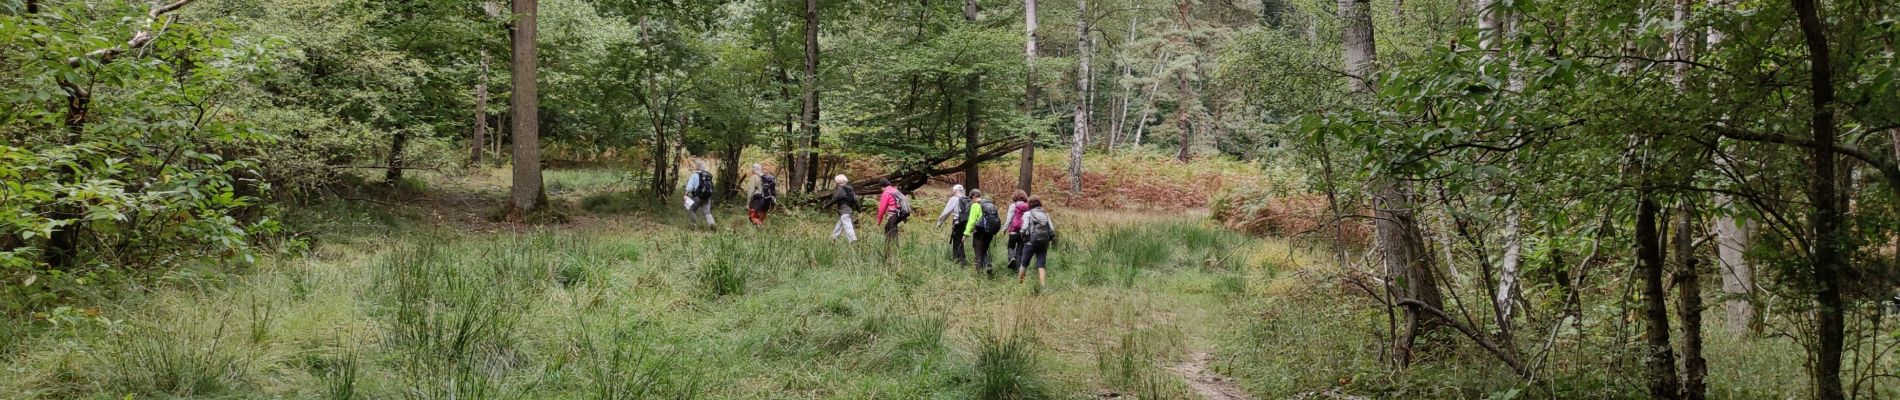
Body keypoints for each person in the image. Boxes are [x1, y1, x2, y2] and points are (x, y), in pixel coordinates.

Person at [1017, 196, 1058, 286]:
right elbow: (1052, 229)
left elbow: (1024, 228)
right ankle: (1042, 285)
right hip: (1043, 242)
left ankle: (1020, 284)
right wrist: (1050, 239)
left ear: (1029, 204)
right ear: (1039, 203)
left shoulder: (1028, 213)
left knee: (1024, 264)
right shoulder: (1045, 214)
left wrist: (1022, 235)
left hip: (1030, 243)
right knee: (1041, 265)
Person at [963, 189, 1001, 275]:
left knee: (978, 251)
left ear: (973, 196)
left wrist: (966, 234)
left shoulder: (975, 205)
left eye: (971, 198)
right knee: (984, 250)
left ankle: (978, 274)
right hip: (989, 231)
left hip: (979, 232)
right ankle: (988, 265)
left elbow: (972, 221)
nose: (971, 201)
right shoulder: (989, 204)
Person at [875, 179, 912, 258]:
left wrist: (879, 220)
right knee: (892, 230)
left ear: (882, 186)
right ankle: (895, 251)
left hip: (894, 214)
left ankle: (889, 254)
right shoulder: (895, 190)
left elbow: (882, 208)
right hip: (900, 214)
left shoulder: (886, 193)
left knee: (889, 232)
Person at [935, 184, 970, 264]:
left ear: (955, 190)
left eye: (953, 190)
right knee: (960, 239)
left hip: (957, 222)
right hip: (966, 222)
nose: (953, 192)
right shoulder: (967, 198)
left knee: (956, 240)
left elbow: (946, 212)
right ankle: (959, 259)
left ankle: (959, 260)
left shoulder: (954, 199)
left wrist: (939, 222)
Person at [822, 175, 859, 243]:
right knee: (839, 225)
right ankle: (833, 238)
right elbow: (855, 200)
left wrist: (826, 206)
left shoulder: (841, 189)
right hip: (849, 211)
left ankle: (853, 240)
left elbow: (835, 200)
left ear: (838, 182)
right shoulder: (850, 189)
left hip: (844, 211)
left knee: (848, 226)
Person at [1001, 190, 1030, 273]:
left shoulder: (1013, 205)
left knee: (1011, 246)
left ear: (1014, 197)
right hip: (1024, 232)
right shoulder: (1028, 206)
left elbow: (1009, 219)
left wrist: (1004, 229)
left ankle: (1011, 258)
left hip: (1014, 230)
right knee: (1020, 251)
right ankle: (1017, 270)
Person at [682, 161, 716, 228]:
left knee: (692, 210)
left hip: (697, 197)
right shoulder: (708, 175)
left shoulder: (694, 175)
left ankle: (693, 225)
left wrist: (685, 194)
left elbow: (690, 186)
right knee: (707, 212)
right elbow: (712, 186)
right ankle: (712, 225)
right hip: (707, 197)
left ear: (697, 167)